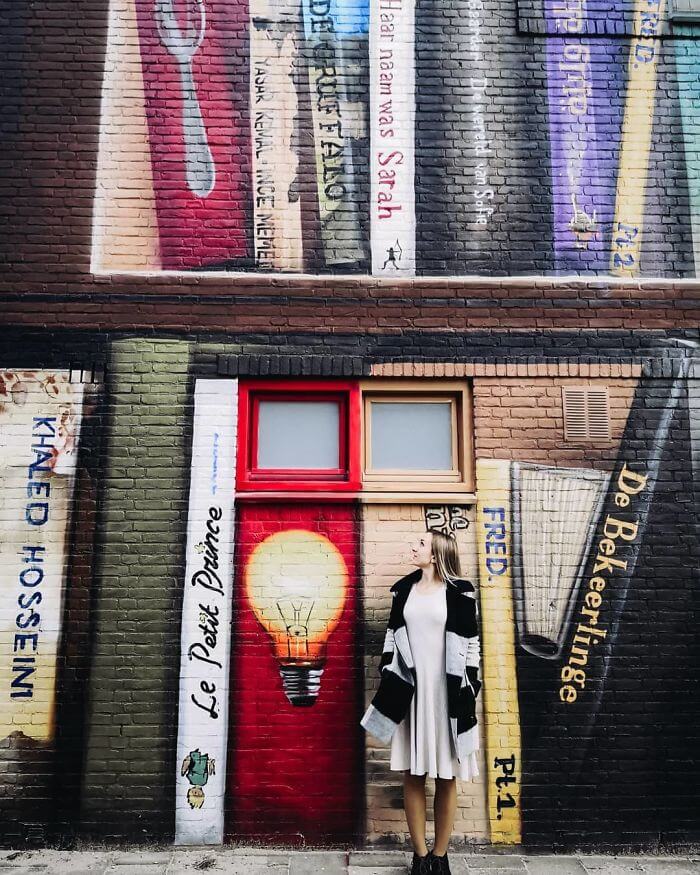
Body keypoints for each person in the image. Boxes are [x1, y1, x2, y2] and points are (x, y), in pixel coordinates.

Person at [360, 529, 482, 875]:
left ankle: (440, 857)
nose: (413, 547)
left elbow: (472, 643)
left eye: (421, 544)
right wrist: (388, 670)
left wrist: (470, 684)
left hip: (449, 693)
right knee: (413, 773)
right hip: (411, 692)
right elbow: (391, 636)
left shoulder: (460, 592)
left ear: (437, 552)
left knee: (447, 775)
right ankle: (419, 854)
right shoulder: (404, 590)